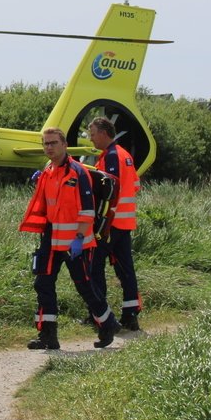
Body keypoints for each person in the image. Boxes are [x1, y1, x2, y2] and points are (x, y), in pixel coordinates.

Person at [20, 127, 121, 350]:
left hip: (76, 241)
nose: (49, 147)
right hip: (51, 238)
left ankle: (108, 323)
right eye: (45, 143)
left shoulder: (77, 172)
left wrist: (77, 238)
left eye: (53, 143)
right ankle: (48, 336)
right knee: (43, 283)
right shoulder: (48, 171)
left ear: (64, 145)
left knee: (84, 285)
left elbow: (87, 210)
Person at [88, 116, 142, 331]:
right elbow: (135, 185)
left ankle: (100, 316)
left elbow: (108, 189)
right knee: (125, 270)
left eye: (92, 134)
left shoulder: (110, 157)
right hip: (125, 221)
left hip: (110, 223)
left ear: (103, 133)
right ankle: (131, 315)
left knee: (95, 267)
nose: (91, 139)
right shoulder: (124, 155)